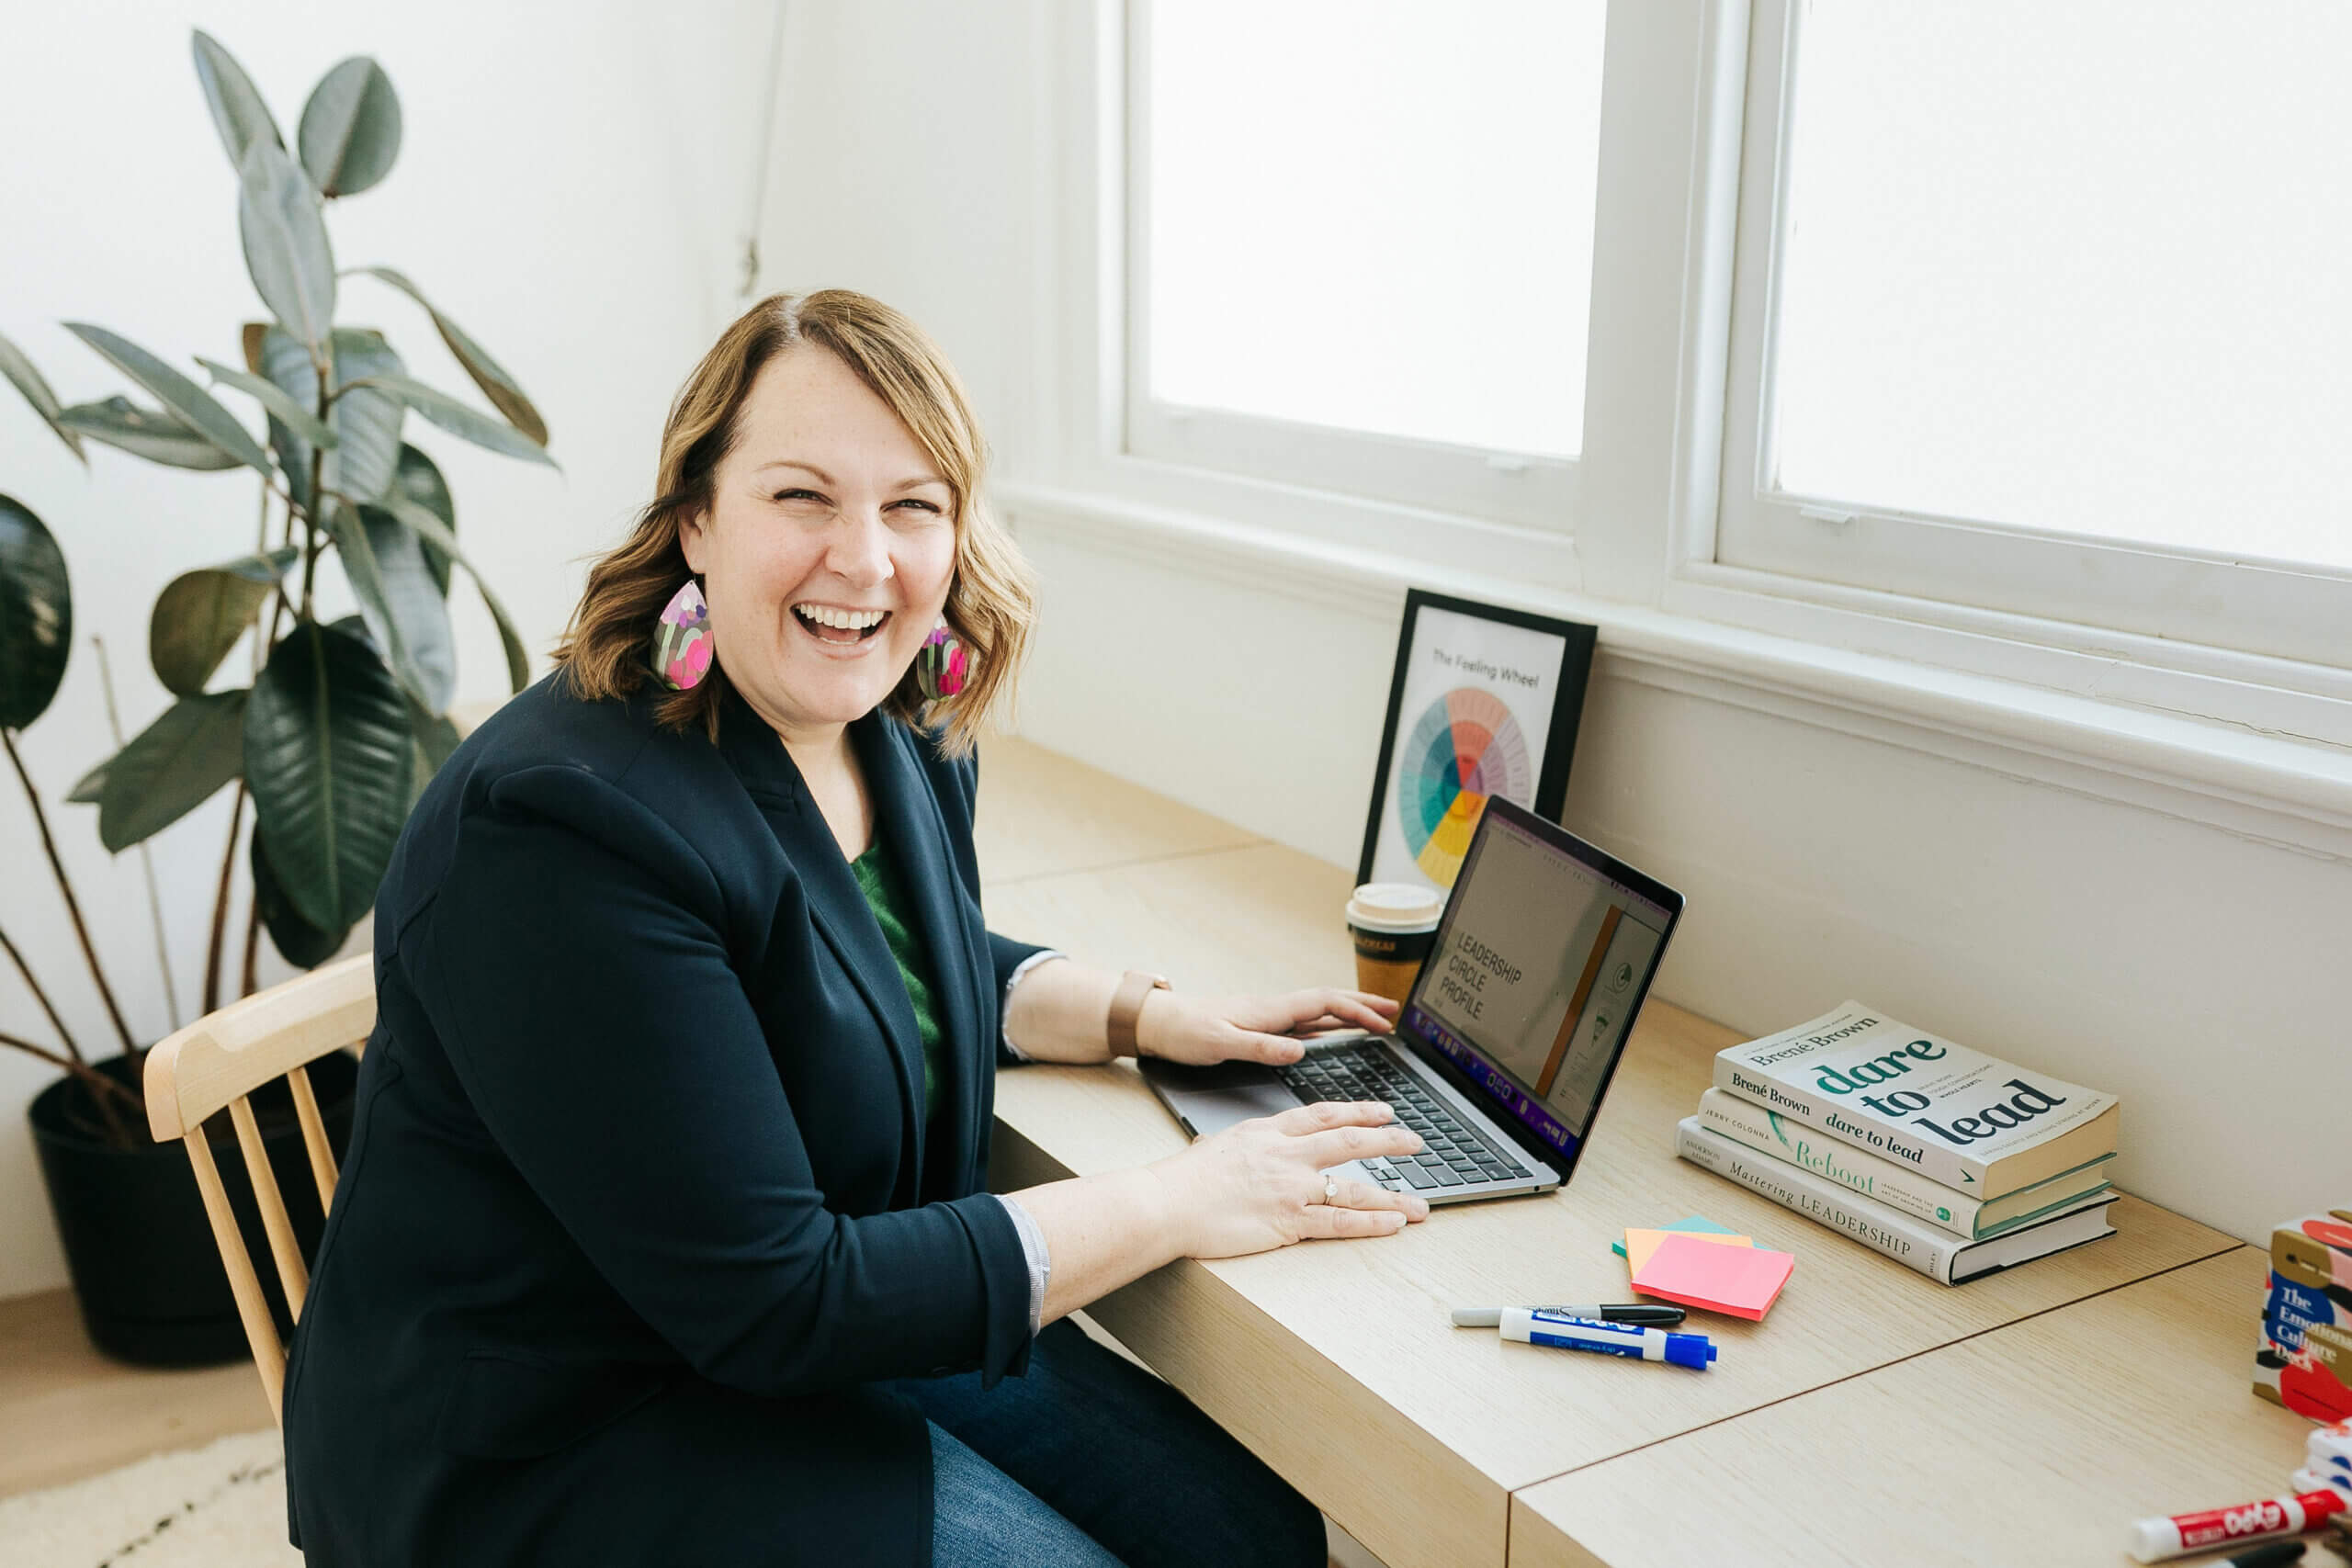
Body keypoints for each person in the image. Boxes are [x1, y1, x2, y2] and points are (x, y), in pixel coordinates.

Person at [279, 290, 1431, 1568]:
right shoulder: (563, 827)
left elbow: (863, 964)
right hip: (558, 1436)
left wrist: (1145, 1014)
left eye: (912, 505)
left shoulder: (896, 734)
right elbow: (781, 1299)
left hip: (782, 1338)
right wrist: (1178, 1199)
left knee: (1253, 1534)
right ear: (695, 518)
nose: (864, 558)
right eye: (803, 498)